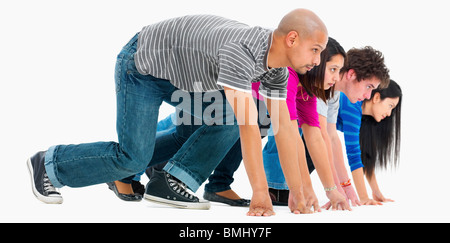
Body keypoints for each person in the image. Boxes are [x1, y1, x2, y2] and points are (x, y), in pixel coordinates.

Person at [27, 9, 328, 217]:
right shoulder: (242, 52)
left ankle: (168, 180)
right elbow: (250, 127)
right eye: (315, 49)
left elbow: (287, 129)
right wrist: (261, 192)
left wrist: (301, 189)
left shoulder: (276, 71)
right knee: (132, 156)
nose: (318, 60)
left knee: (225, 116)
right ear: (292, 39)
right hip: (141, 66)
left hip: (183, 76)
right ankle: (50, 163)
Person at [263, 46, 391, 208]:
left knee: (307, 135)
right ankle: (276, 186)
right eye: (369, 87)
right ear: (351, 74)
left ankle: (283, 187)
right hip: (262, 104)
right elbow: (320, 136)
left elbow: (331, 137)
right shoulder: (320, 86)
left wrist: (342, 187)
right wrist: (332, 188)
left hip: (272, 110)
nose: (368, 96)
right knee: (294, 130)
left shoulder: (333, 93)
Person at [318, 80, 402, 207]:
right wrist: (363, 197)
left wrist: (376, 192)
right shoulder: (352, 105)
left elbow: (365, 156)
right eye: (390, 106)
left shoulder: (363, 115)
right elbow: (353, 155)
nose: (390, 113)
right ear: (377, 97)